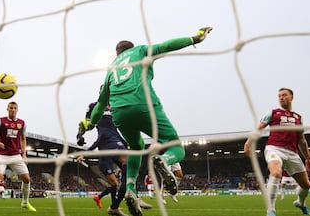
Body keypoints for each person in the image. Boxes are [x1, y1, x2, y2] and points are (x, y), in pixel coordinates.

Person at [79, 26, 212, 216]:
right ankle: (164, 160)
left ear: (117, 53)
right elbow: (165, 46)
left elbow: (100, 105)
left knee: (136, 146)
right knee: (175, 146)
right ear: (130, 48)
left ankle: (131, 189)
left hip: (119, 113)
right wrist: (194, 39)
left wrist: (89, 124)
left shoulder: (110, 69)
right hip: (143, 103)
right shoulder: (139, 51)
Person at [244, 88, 310, 216]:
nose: (281, 97)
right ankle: (270, 210)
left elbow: (302, 141)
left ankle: (300, 203)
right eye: (279, 96)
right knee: (276, 172)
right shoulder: (273, 113)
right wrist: (248, 142)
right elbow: (258, 128)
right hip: (274, 148)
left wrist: (309, 159)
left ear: (292, 97)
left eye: (284, 95)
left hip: (292, 153)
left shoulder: (298, 118)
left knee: (306, 185)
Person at [77, 99, 128, 216]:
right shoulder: (94, 106)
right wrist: (80, 138)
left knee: (118, 180)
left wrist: (125, 142)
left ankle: (114, 202)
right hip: (104, 157)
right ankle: (113, 205)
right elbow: (85, 124)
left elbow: (117, 128)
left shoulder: (115, 106)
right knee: (115, 184)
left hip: (113, 147)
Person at [0, 101, 36, 214]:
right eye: (11, 108)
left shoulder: (22, 123)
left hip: (15, 155)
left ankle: (25, 202)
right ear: (7, 109)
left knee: (27, 179)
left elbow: (23, 139)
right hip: (2, 155)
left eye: (14, 108)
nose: (12, 110)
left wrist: (24, 154)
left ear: (17, 110)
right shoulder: (0, 121)